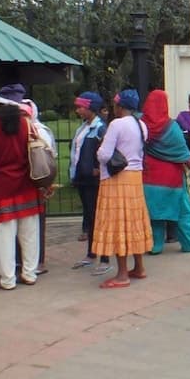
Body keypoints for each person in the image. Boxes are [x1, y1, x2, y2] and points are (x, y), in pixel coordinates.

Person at [0, 84, 43, 290]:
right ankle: (29, 274)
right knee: (30, 234)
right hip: (27, 186)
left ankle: (8, 280)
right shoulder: (28, 125)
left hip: (0, 188)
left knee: (3, 237)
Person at [91, 89, 153, 288]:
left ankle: (122, 274)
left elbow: (104, 155)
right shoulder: (141, 125)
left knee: (119, 224)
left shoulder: (116, 124)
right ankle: (139, 267)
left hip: (117, 179)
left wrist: (99, 150)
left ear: (120, 106)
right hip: (135, 178)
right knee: (134, 222)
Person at [141, 89, 190, 254]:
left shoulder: (142, 125)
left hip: (149, 177)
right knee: (183, 212)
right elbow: (184, 154)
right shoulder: (171, 127)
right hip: (172, 179)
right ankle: (189, 244)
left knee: (155, 214)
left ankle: (156, 246)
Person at [70, 92, 113, 274]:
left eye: (81, 107)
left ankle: (104, 257)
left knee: (99, 217)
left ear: (91, 108)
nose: (78, 110)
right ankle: (91, 252)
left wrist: (97, 168)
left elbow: (107, 151)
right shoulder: (84, 127)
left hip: (95, 180)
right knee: (89, 216)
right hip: (83, 178)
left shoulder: (101, 128)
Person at [20, 99, 54, 275]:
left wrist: (46, 184)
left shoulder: (40, 131)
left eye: (25, 114)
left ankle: (38, 261)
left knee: (37, 224)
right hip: (22, 184)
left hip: (37, 182)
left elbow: (47, 159)